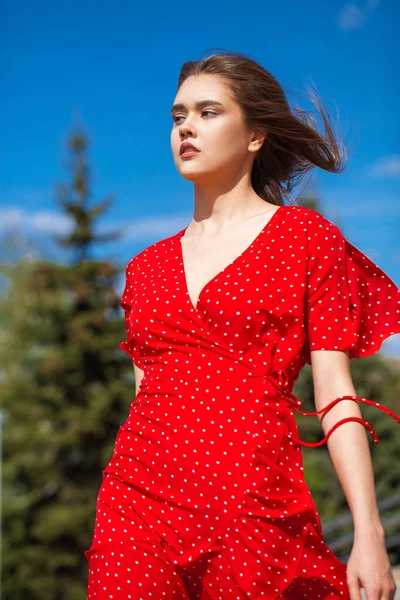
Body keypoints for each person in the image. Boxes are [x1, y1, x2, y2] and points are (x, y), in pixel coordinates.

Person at [84, 50, 400, 599]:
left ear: (255, 135)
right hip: (136, 505)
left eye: (208, 113)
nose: (186, 128)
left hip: (252, 502)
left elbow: (335, 395)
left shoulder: (306, 239)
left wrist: (369, 533)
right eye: (178, 116)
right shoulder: (144, 269)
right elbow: (144, 396)